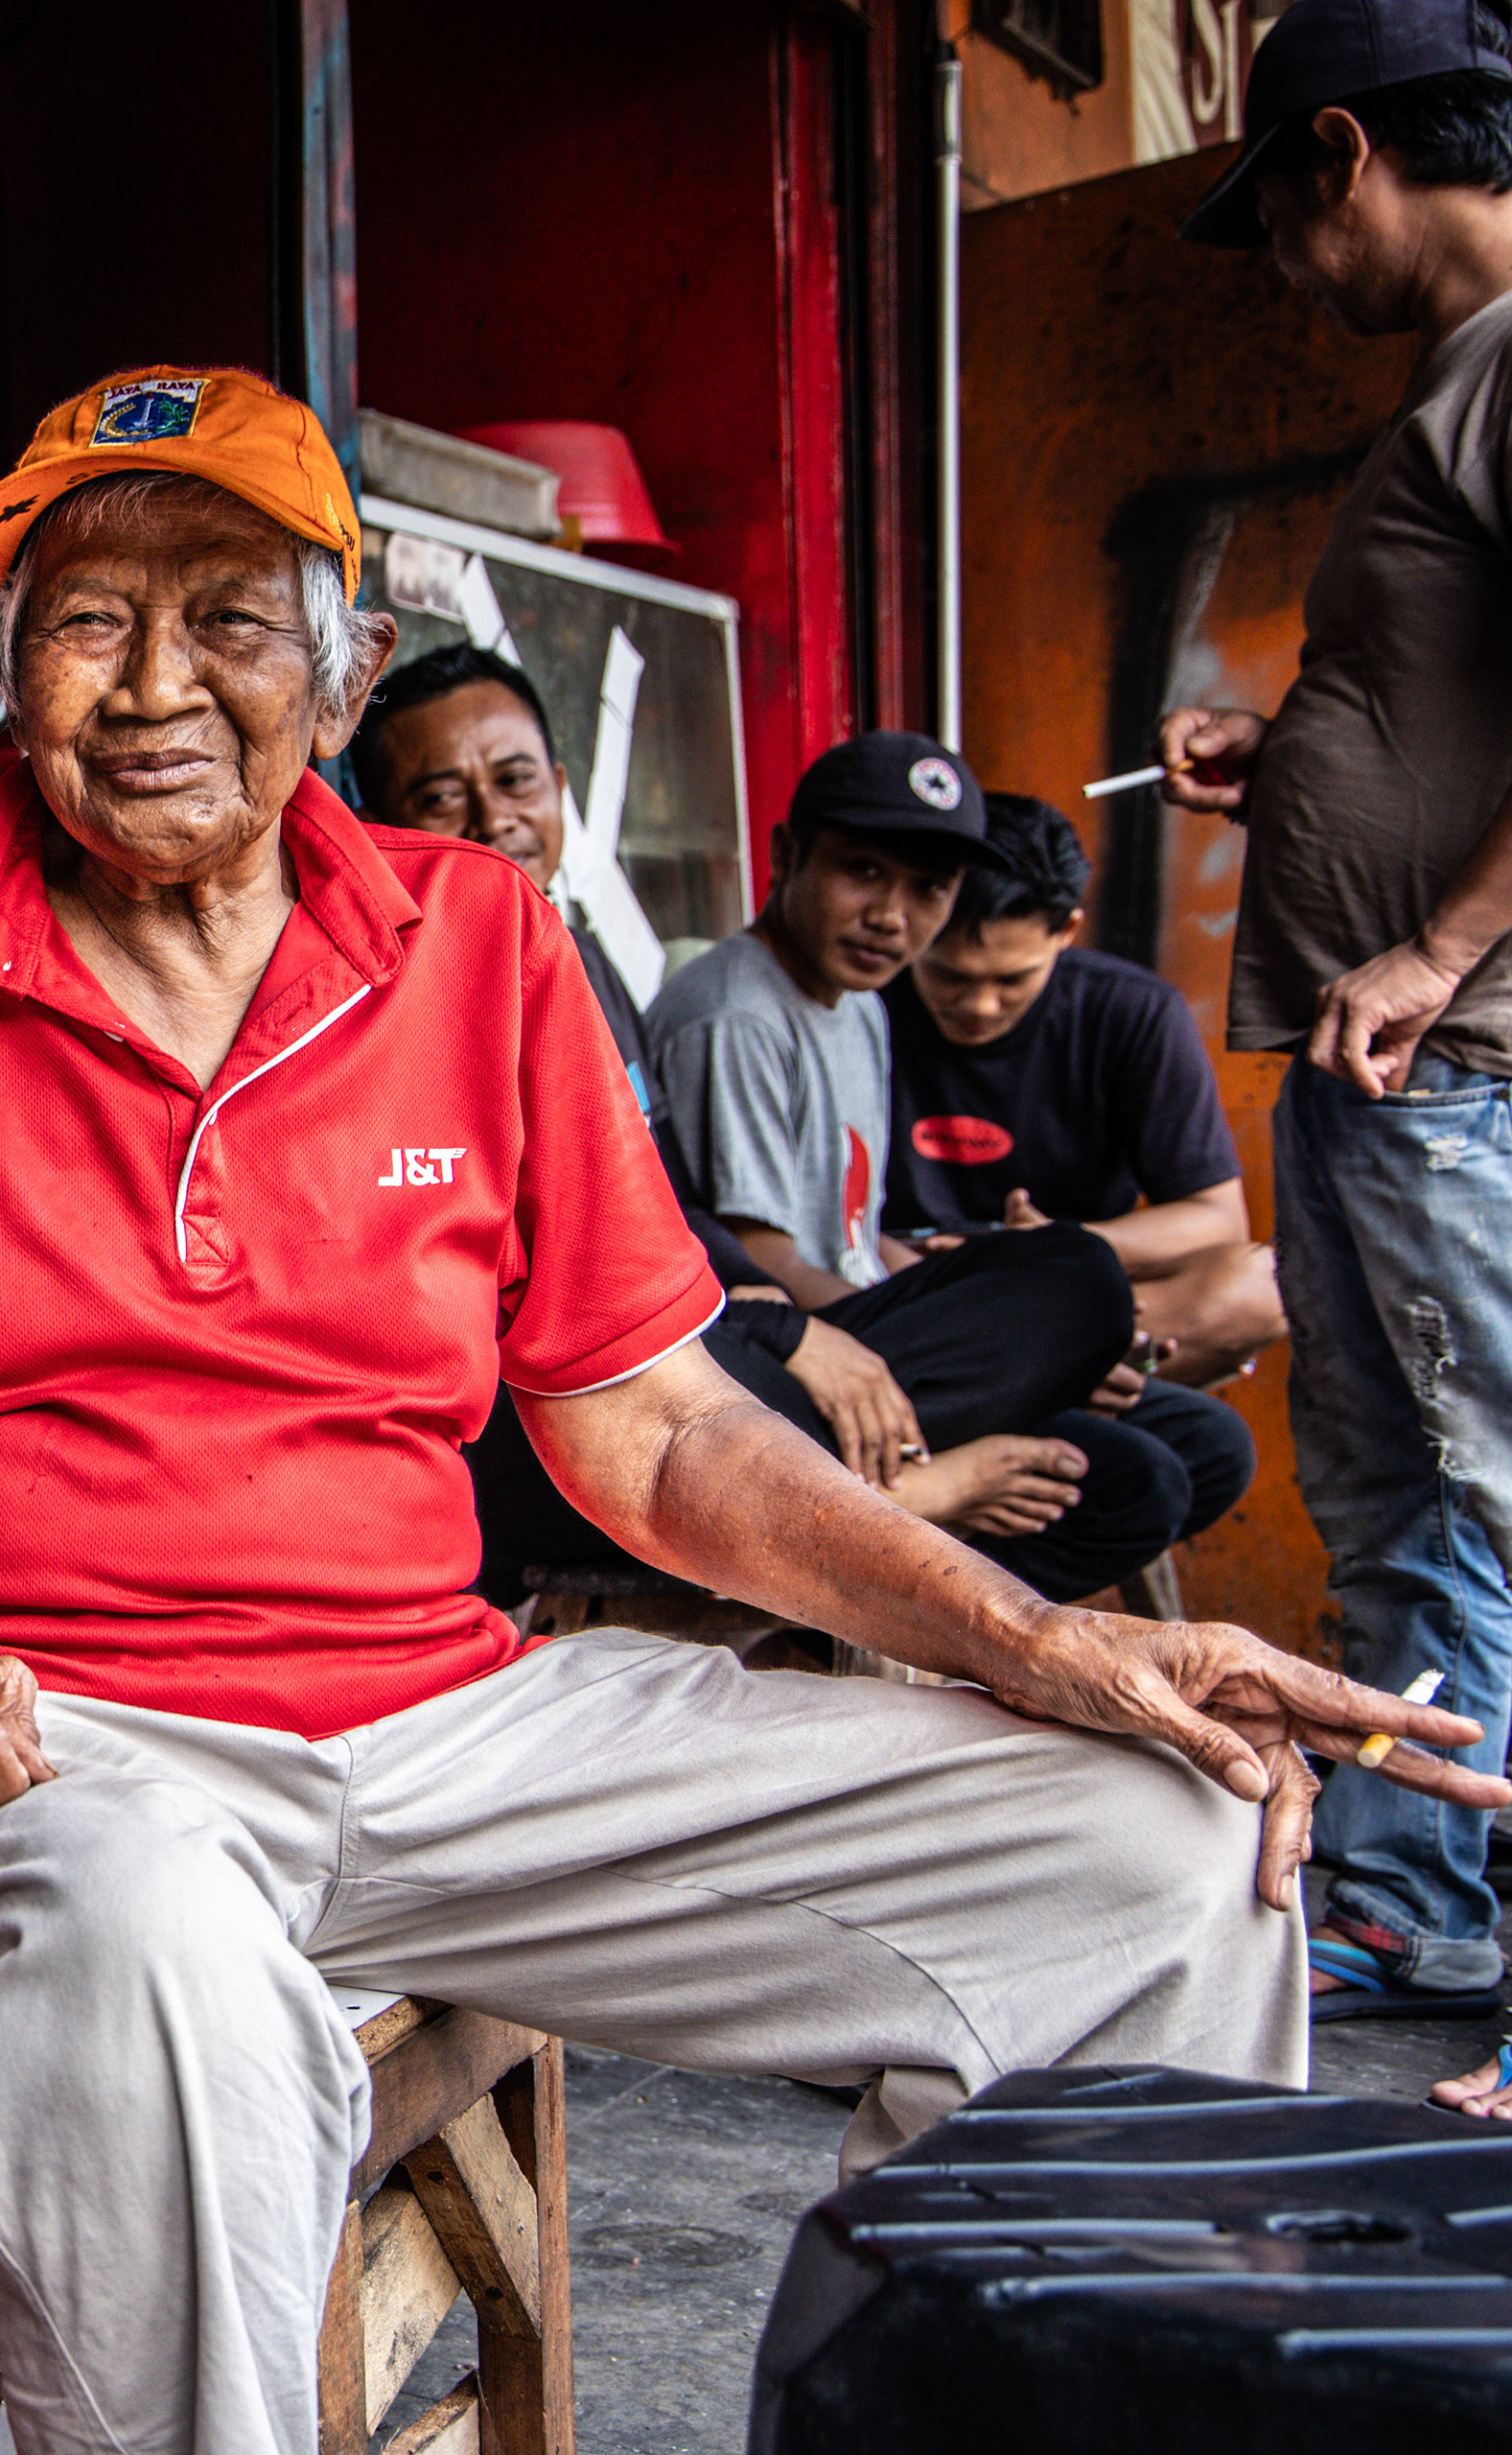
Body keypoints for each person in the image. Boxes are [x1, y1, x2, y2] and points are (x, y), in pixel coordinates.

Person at [0, 362, 1496, 2455]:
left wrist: (1056, 1640)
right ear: (4, 673)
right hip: (23, 1757)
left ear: (343, 666)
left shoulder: (476, 946)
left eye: (226, 614)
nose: (150, 684)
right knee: (147, 1940)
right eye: (83, 618)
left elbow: (657, 1434)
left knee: (1160, 1833)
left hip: (445, 1733)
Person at [359, 653, 1156, 1602]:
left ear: (561, 789)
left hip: (694, 1347)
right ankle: (888, 1495)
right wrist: (778, 1331)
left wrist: (784, 1318)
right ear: (378, 824)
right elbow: (535, 1277)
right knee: (1077, 1291)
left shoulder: (567, 955)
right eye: (443, 795)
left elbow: (660, 1206)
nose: (496, 820)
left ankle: (857, 1504)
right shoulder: (394, 998)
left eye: (517, 779)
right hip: (562, 1413)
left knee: (1133, 1456)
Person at [1167, 0, 1512, 2069]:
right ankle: (1420, 1897)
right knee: (1396, 1508)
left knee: (1494, 1505)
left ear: (1345, 156)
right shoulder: (1460, 388)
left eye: (1284, 225)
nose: (1295, 277)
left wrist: (1435, 950)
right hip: (1387, 1083)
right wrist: (1284, 748)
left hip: (1453, 1062)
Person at [640, 733, 1232, 1602]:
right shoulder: (735, 1013)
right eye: (865, 872)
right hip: (787, 1365)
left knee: (1203, 1444)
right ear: (786, 855)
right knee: (1096, 1341)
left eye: (928, 889)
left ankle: (911, 1550)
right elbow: (759, 1255)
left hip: (866, 1328)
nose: (893, 915)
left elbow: (852, 1233)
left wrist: (977, 1308)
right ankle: (893, 1584)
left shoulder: (866, 1004)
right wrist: (1003, 1344)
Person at [891, 792, 1288, 1387]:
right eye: (948, 975)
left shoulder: (1134, 1011)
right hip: (897, 1293)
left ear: (1068, 929)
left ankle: (1019, 1382)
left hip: (1057, 1293)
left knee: (1263, 1287)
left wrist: (1053, 1247)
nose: (978, 1006)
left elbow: (1217, 1220)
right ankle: (1051, 1384)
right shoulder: (860, 1003)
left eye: (1012, 980)